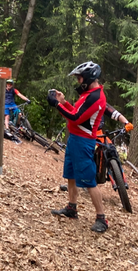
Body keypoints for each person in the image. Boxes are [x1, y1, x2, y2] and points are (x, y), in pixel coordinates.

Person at [46, 61, 110, 233]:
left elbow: (75, 118)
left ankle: (101, 218)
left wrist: (56, 104)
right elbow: (75, 113)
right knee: (71, 175)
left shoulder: (95, 97)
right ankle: (72, 208)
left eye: (79, 78)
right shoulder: (88, 94)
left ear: (88, 78)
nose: (78, 82)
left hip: (83, 142)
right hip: (75, 139)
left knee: (89, 180)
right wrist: (63, 102)